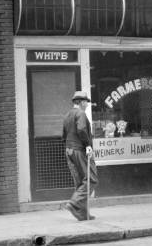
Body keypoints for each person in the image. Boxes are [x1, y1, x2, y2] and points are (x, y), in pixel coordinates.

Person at [62, 90, 98, 221]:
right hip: (79, 150)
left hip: (69, 150)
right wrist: (88, 145)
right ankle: (74, 202)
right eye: (86, 102)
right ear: (81, 102)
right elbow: (82, 129)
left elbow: (64, 135)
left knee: (80, 181)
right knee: (91, 178)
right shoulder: (81, 114)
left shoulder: (68, 115)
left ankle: (82, 214)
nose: (87, 104)